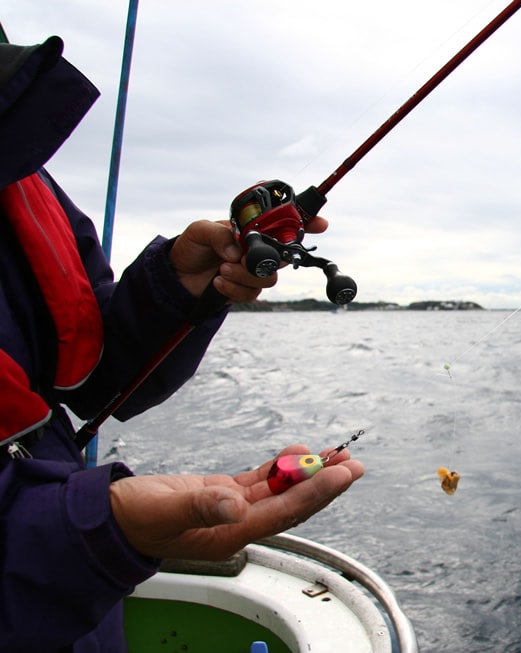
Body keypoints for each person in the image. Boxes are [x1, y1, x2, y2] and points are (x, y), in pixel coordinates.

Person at [0, 35, 365, 652]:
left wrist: (180, 286)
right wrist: (95, 530)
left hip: (83, 609)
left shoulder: (22, 170)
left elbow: (93, 374)